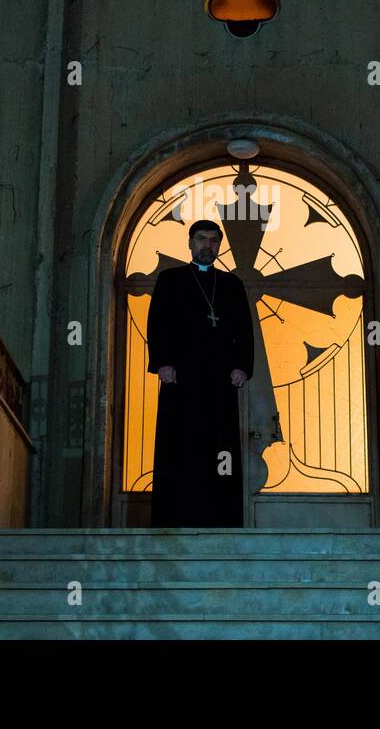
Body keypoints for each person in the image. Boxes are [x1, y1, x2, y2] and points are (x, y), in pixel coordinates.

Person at [146, 218, 254, 527]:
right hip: (181, 379)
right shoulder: (170, 280)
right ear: (190, 243)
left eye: (213, 240)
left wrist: (242, 367)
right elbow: (158, 324)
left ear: (220, 245)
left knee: (220, 452)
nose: (208, 245)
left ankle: (221, 519)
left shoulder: (232, 285)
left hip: (219, 382)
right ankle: (175, 518)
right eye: (202, 239)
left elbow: (245, 331)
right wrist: (163, 362)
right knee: (180, 448)